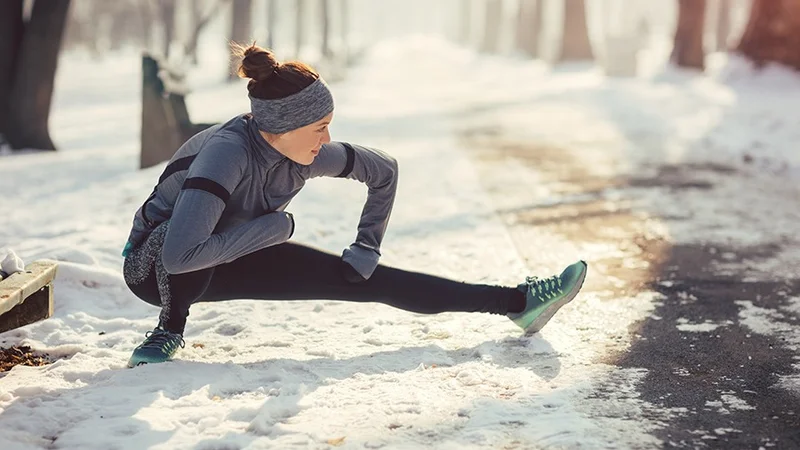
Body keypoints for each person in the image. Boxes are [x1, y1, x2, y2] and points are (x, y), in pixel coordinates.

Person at [121, 43, 588, 368]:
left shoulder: (299, 152)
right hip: (156, 269)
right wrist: (276, 228)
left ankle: (516, 302)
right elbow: (178, 254)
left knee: (366, 281)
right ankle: (169, 329)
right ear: (282, 126)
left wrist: (367, 247)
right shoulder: (226, 154)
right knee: (184, 239)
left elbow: (383, 170)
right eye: (319, 127)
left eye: (329, 124)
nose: (326, 139)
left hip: (229, 250)